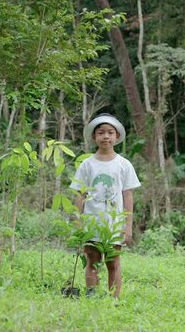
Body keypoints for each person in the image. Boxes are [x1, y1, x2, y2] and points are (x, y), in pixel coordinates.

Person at [70, 114, 141, 298]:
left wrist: (127, 225)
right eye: (101, 133)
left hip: (114, 224)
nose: (106, 137)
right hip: (91, 222)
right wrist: (78, 222)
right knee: (92, 260)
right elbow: (80, 194)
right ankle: (92, 295)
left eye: (110, 133)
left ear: (117, 136)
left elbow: (128, 195)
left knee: (113, 261)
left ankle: (113, 298)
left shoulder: (124, 165)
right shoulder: (87, 164)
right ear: (94, 137)